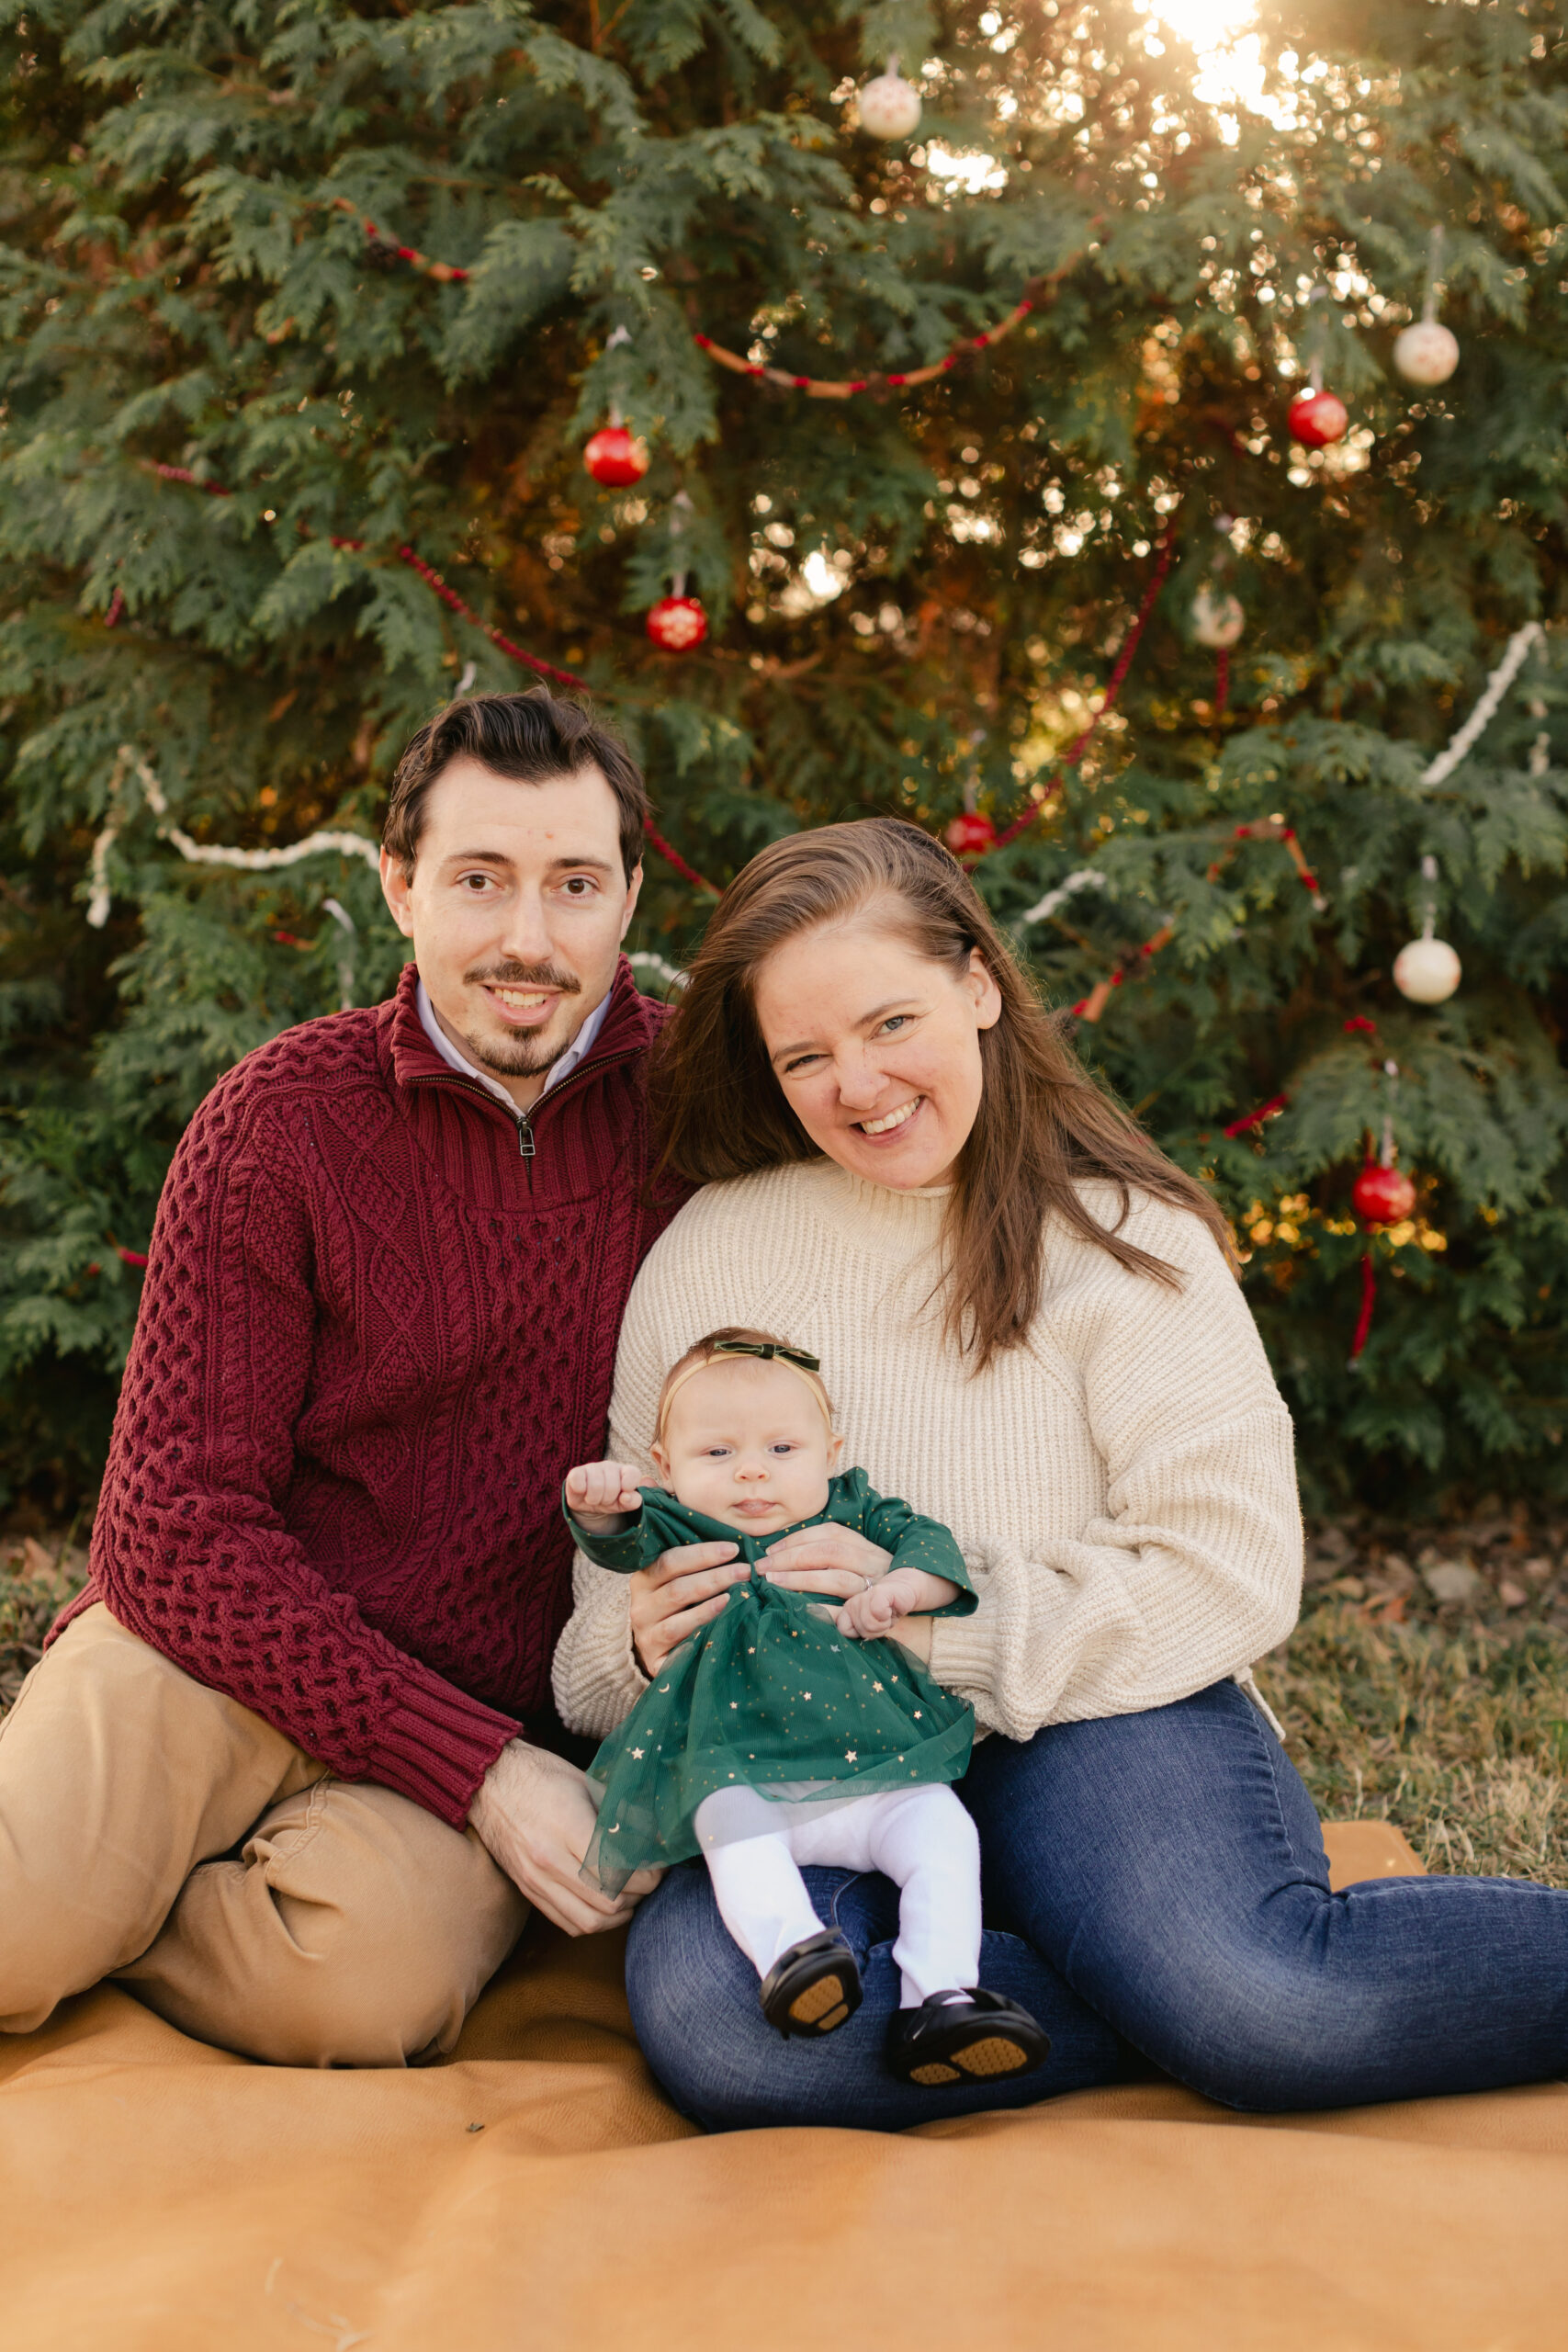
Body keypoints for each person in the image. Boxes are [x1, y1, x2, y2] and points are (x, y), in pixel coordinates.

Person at [554, 814, 1568, 2132]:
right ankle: (1107, 1986)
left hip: (1097, 1721)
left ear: (976, 983)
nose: (855, 1085)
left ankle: (1155, 1979)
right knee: (733, 2038)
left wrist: (944, 1622)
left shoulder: (1121, 1239)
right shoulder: (711, 1256)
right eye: (803, 1056)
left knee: (1263, 2004)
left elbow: (1228, 1570)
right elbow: (586, 1649)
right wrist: (636, 1642)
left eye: (886, 1024)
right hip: (794, 1746)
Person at [0, 690, 684, 2066]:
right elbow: (175, 1531)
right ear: (398, 887)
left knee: (358, 1991)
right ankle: (82, 1888)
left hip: (474, 1702)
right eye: (479, 881)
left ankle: (132, 1911)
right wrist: (483, 1775)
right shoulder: (278, 1122)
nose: (528, 940)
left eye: (573, 886)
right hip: (212, 1656)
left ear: (625, 898)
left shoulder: (698, 1115)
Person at [562, 1327, 1049, 2085]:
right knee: (730, 1834)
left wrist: (901, 1589)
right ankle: (794, 1953)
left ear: (831, 1451)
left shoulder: (852, 1513)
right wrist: (601, 1511)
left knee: (944, 1835)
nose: (751, 1471)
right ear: (664, 1468)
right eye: (717, 1454)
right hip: (746, 1775)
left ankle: (942, 1997)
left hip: (879, 1770)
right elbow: (622, 1542)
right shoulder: (681, 1525)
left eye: (782, 1450)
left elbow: (928, 1546)